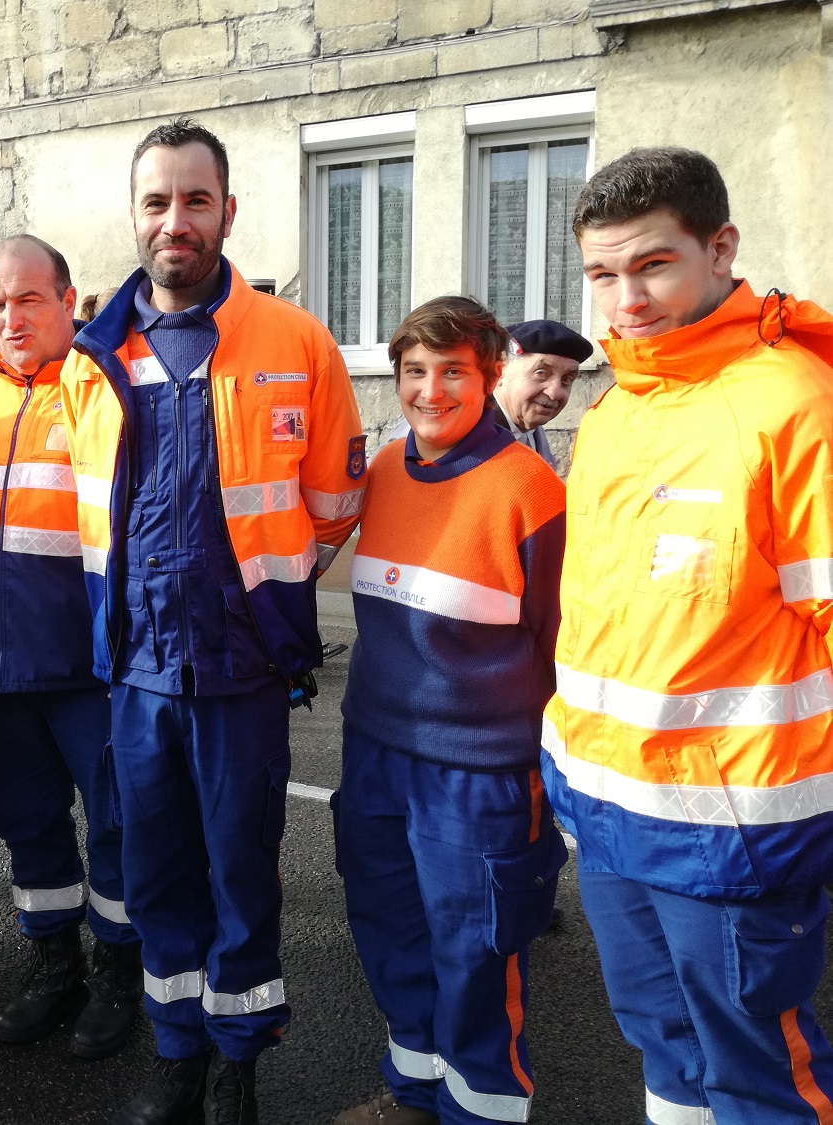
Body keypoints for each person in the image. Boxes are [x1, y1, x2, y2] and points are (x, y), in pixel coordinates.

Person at [60, 118, 367, 1125]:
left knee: (242, 874)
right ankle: (177, 1050)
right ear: (137, 216)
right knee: (159, 877)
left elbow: (333, 508)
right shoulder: (91, 357)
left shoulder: (297, 343)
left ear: (228, 212)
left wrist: (268, 600)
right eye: (158, 202)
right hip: (139, 675)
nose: (176, 221)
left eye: (197, 201)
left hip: (241, 674)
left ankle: (239, 1058)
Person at [542, 147, 833, 1123]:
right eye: (602, 273)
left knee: (756, 1072)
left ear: (721, 249)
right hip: (611, 808)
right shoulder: (620, 408)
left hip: (735, 831)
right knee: (659, 1041)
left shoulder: (794, 406)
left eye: (653, 264)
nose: (627, 298)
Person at [333, 297, 568, 1125]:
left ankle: (481, 1111)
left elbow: (557, 637)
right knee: (390, 931)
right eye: (414, 372)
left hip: (478, 774)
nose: (431, 390)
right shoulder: (387, 469)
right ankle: (414, 1094)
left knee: (476, 958)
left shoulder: (529, 488)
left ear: (490, 374)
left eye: (453, 372)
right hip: (373, 749)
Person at [0, 234, 142, 1058]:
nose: (12, 317)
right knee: (27, 825)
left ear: (67, 299)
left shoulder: (102, 387)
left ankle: (118, 970)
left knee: (117, 827)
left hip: (91, 666)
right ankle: (53, 963)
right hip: (3, 669)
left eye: (29, 298)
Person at [490, 319, 592, 468]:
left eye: (567, 379)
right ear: (500, 370)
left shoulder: (530, 431)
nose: (554, 393)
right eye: (541, 373)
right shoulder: (472, 438)